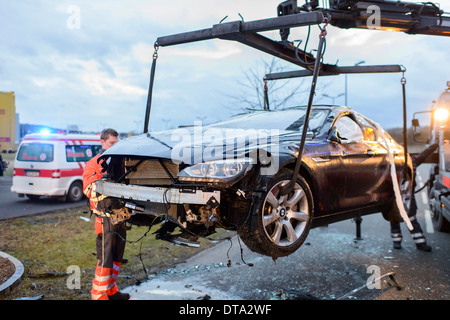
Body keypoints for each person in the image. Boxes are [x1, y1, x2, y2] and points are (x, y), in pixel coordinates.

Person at [82, 128, 130, 300]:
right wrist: (108, 186)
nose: (114, 147)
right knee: (106, 258)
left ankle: (111, 290)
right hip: (105, 219)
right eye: (111, 143)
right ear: (102, 142)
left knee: (117, 256)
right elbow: (88, 190)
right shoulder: (93, 164)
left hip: (120, 217)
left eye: (117, 143)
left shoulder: (121, 163)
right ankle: (98, 294)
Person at [390, 143, 438, 252]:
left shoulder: (410, 161)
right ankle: (397, 241)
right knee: (395, 217)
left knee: (410, 218)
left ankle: (419, 243)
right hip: (395, 196)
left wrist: (435, 144)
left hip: (407, 195)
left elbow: (425, 154)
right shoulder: (395, 162)